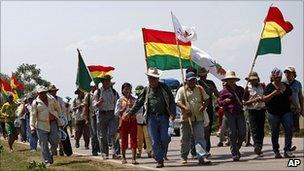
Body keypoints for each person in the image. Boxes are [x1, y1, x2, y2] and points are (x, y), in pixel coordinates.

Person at [126, 68, 176, 168]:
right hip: (151, 118)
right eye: (150, 78)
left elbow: (171, 100)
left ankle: (158, 154)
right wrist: (130, 113)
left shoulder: (164, 87)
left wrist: (173, 112)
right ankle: (159, 160)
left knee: (165, 138)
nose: (151, 80)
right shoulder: (146, 90)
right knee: (154, 140)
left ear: (158, 79)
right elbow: (139, 103)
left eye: (154, 78)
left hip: (163, 117)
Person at [176, 72, 211, 165]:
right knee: (185, 139)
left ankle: (202, 157)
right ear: (186, 80)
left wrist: (203, 107)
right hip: (186, 119)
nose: (192, 81)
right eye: (190, 80)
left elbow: (207, 99)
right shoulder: (181, 90)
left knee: (200, 138)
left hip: (198, 117)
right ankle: (184, 157)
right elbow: (178, 102)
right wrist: (185, 108)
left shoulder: (199, 88)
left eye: (193, 79)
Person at [259, 68, 295, 158]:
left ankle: (287, 150)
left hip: (286, 111)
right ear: (272, 77)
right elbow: (264, 99)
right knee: (275, 132)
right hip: (273, 112)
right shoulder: (269, 87)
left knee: (289, 129)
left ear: (281, 76)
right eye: (275, 77)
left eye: (279, 77)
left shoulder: (286, 86)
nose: (277, 78)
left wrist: (297, 107)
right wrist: (274, 93)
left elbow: (291, 98)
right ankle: (276, 151)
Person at [30, 86, 62, 166]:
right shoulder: (35, 103)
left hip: (53, 122)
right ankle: (47, 160)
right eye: (41, 93)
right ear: (38, 93)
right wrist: (32, 127)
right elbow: (32, 116)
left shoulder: (51, 99)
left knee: (55, 140)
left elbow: (58, 108)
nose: (43, 94)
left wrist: (60, 117)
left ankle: (51, 153)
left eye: (44, 92)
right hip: (41, 125)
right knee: (43, 144)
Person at [218, 70, 246, 161]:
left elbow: (245, 98)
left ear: (235, 80)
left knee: (242, 133)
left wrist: (244, 100)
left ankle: (236, 148)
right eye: (229, 79)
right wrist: (224, 101)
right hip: (229, 113)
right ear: (227, 80)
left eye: (232, 79)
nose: (231, 81)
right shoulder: (223, 91)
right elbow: (219, 102)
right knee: (233, 133)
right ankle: (234, 153)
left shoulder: (241, 89)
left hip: (239, 112)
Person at [93, 75, 120, 160]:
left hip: (112, 114)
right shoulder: (98, 92)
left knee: (113, 134)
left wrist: (118, 115)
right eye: (106, 80)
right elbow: (93, 105)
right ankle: (104, 153)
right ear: (102, 82)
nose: (108, 82)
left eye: (109, 80)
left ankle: (115, 153)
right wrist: (98, 103)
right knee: (102, 136)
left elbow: (117, 104)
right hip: (101, 114)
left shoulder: (114, 92)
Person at [197, 67, 219, 155]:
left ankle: (207, 149)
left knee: (208, 130)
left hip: (209, 108)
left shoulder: (210, 83)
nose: (204, 76)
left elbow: (218, 95)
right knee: (199, 130)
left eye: (205, 75)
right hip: (199, 108)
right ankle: (200, 150)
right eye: (202, 75)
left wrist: (213, 89)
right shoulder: (197, 83)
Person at [115, 83, 138, 164]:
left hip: (133, 120)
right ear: (122, 90)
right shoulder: (120, 100)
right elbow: (116, 112)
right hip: (123, 121)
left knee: (133, 139)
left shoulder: (135, 99)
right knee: (124, 139)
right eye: (125, 89)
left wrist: (133, 109)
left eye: (128, 89)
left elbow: (139, 110)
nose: (127, 90)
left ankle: (134, 158)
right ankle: (124, 157)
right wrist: (123, 109)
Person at [243, 72, 266, 156]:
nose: (253, 81)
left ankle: (259, 146)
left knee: (261, 129)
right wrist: (254, 100)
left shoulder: (262, 86)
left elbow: (266, 96)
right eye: (251, 80)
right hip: (252, 110)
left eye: (255, 79)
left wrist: (262, 99)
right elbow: (244, 102)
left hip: (262, 109)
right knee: (254, 129)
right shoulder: (246, 89)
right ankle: (257, 146)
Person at [48, 84, 72, 156]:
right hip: (52, 120)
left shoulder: (60, 99)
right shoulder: (48, 100)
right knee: (54, 136)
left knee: (64, 136)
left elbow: (63, 111)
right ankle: (54, 151)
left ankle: (66, 151)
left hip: (60, 119)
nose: (54, 92)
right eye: (52, 91)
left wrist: (64, 120)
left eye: (54, 91)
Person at [134, 85, 153, 158]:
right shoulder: (135, 100)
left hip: (146, 121)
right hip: (138, 121)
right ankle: (139, 151)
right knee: (139, 138)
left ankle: (149, 151)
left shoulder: (147, 99)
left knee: (148, 137)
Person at [283, 66, 303, 132]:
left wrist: (302, 109)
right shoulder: (282, 83)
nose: (287, 74)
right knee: (287, 127)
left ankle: (290, 140)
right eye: (286, 72)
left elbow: (300, 97)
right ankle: (288, 141)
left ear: (293, 74)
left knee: (295, 129)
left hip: (295, 109)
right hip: (285, 109)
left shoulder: (298, 83)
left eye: (289, 72)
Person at [84, 82, 99, 156]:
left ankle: (100, 149)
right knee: (94, 134)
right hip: (92, 116)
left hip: (100, 115)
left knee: (100, 133)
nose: (94, 87)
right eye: (93, 86)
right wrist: (86, 118)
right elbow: (86, 108)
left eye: (95, 86)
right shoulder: (88, 95)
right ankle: (94, 150)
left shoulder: (99, 93)